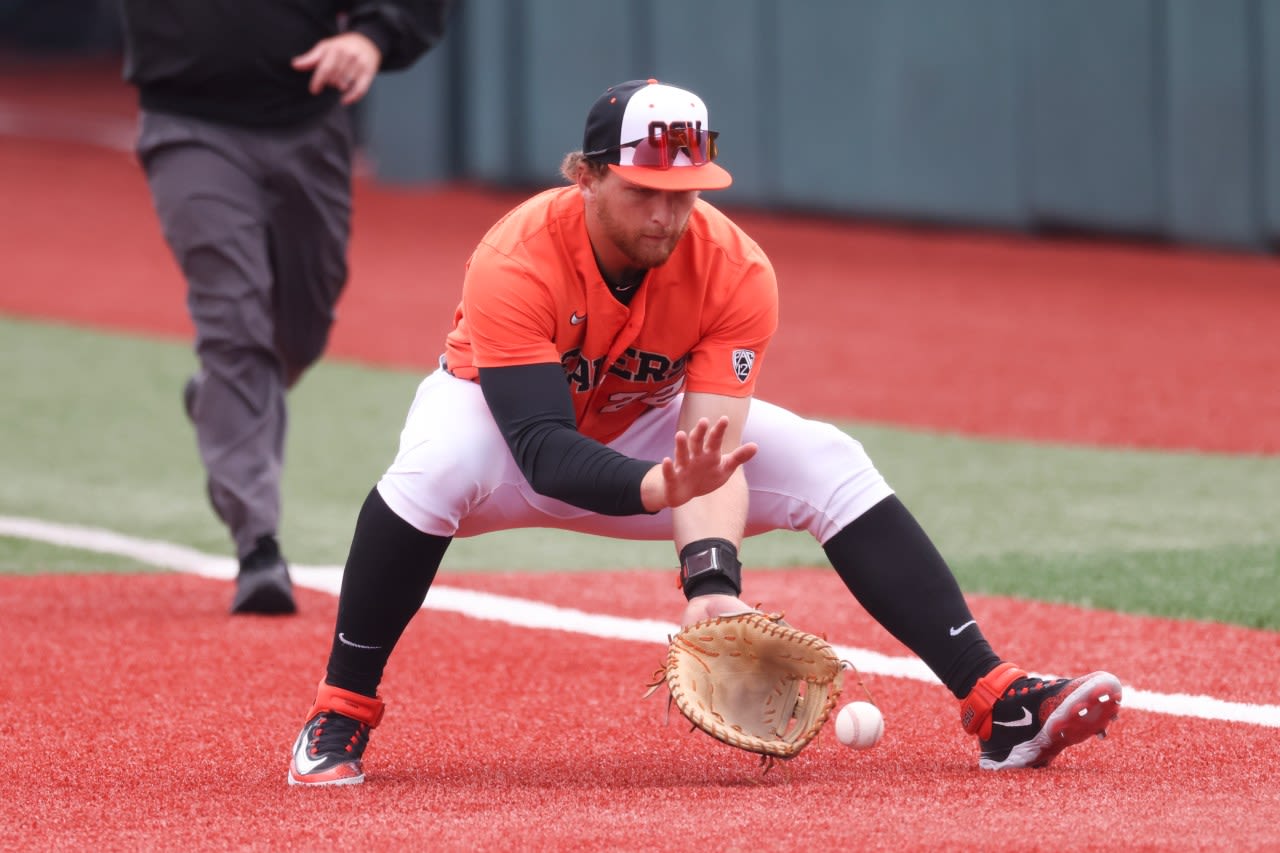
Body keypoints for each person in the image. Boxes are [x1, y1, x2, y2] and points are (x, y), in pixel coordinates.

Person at [286, 79, 1122, 785]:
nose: (665, 214)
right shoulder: (517, 255)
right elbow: (537, 445)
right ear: (585, 175)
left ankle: (998, 702)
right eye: (643, 191)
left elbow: (713, 448)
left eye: (684, 193)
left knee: (831, 460)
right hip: (498, 428)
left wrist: (711, 583)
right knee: (432, 469)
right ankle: (340, 710)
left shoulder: (735, 268)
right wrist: (654, 487)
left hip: (648, 435)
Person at [117, 0, 453, 614]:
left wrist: (376, 38)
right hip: (187, 125)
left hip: (309, 123)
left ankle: (222, 398)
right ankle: (258, 548)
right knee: (235, 325)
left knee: (301, 330)